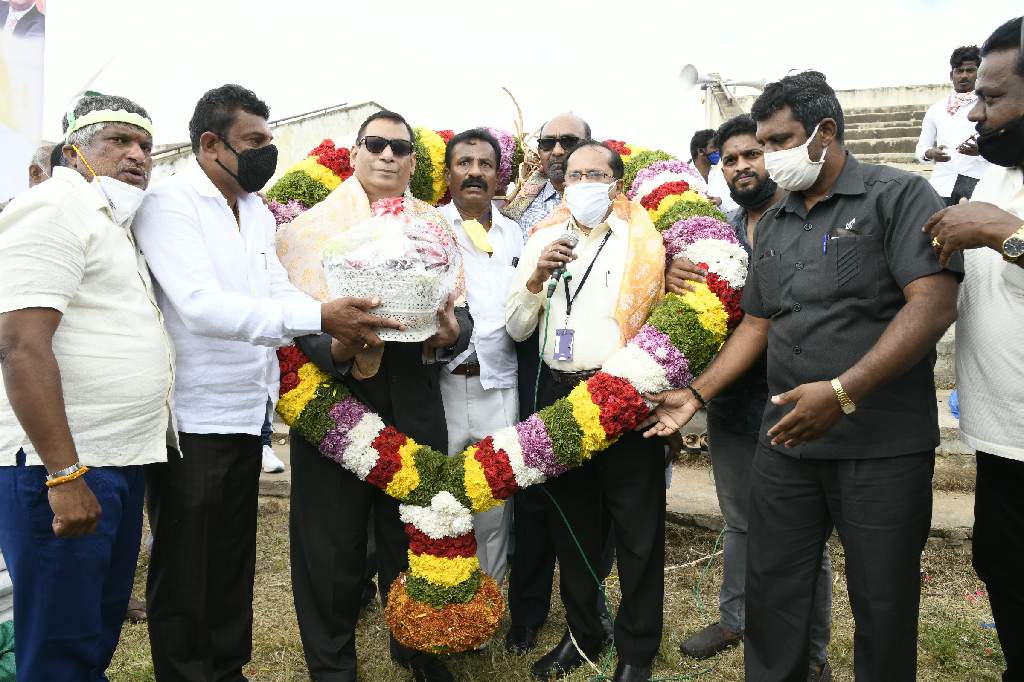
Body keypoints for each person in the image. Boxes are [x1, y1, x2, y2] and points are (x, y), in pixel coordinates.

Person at [644, 71, 961, 681]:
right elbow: (758, 325)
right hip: (786, 444)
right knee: (774, 592)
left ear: (826, 132)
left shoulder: (898, 196)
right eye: (764, 143)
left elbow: (932, 304)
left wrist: (844, 393)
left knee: (883, 599)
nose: (771, 157)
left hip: (881, 447)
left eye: (782, 140)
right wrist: (694, 395)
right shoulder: (780, 219)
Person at [133, 84, 383, 682]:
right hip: (194, 414)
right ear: (210, 143)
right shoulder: (171, 204)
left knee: (230, 558)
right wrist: (318, 317)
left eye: (269, 143)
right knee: (187, 562)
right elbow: (199, 306)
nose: (265, 155)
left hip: (248, 412)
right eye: (254, 143)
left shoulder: (252, 208)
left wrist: (335, 318)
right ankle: (187, 673)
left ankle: (227, 667)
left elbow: (275, 291)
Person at [276, 109, 472, 682]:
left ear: (414, 161)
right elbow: (288, 325)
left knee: (416, 528)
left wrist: (450, 333)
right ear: (356, 152)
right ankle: (332, 665)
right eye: (376, 144)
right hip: (334, 399)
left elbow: (458, 311)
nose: (388, 156)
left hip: (413, 391)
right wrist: (336, 347)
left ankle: (420, 650)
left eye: (400, 148)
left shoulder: (436, 227)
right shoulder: (306, 230)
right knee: (328, 543)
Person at [0, 93, 174, 681]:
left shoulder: (110, 221)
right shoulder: (53, 208)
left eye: (145, 145)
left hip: (115, 459)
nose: (137, 156)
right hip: (61, 465)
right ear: (74, 152)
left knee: (92, 632)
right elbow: (21, 344)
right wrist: (64, 474)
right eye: (118, 140)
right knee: (60, 649)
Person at [669, 114, 834, 680]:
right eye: (728, 159)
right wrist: (676, 271)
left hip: (798, 397)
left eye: (751, 154)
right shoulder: (720, 229)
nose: (740, 166)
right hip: (733, 397)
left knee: (802, 532)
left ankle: (812, 657)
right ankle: (736, 617)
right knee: (739, 519)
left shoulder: (810, 219)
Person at [507, 141, 666, 682]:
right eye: (574, 175)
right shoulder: (543, 237)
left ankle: (637, 651)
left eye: (595, 173)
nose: (583, 183)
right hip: (559, 392)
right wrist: (534, 283)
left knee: (637, 528)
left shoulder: (646, 239)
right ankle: (584, 635)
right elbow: (516, 327)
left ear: (616, 182)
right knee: (570, 525)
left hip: (626, 393)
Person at [923, 16, 1024, 680]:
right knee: (1003, 567)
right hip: (1002, 440)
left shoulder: (998, 204)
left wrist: (1008, 234)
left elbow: (1006, 241)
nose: (976, 112)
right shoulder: (995, 175)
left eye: (992, 97)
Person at [501, 111, 593, 654]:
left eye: (570, 142)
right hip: (532, 362)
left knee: (587, 496)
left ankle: (585, 615)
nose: (558, 150)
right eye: (549, 142)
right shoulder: (517, 211)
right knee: (532, 491)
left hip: (595, 369)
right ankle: (527, 612)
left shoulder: (625, 214)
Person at [439, 128, 523, 589]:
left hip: (501, 385)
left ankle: (488, 603)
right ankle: (443, 598)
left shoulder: (518, 234)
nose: (474, 172)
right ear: (449, 173)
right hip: (443, 386)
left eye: (484, 164)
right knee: (443, 500)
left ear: (498, 174)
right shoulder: (427, 228)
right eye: (464, 162)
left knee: (495, 501)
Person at [916, 45, 992, 204]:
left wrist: (982, 150)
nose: (964, 76)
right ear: (952, 75)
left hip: (979, 184)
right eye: (959, 71)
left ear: (980, 73)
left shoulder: (990, 106)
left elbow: (1003, 150)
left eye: (970, 70)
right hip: (941, 185)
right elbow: (921, 149)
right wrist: (931, 153)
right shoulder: (936, 110)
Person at [689, 128, 737, 212]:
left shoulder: (721, 176)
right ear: (700, 151)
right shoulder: (684, 175)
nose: (718, 151)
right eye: (714, 147)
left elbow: (735, 207)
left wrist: (720, 202)